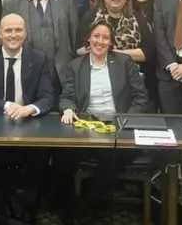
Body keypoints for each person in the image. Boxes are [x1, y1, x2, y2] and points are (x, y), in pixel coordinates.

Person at [57, 21, 148, 224]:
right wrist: (69, 108)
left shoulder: (124, 62)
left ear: (111, 42)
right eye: (96, 36)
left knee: (111, 157)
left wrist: (124, 121)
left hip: (119, 127)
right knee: (61, 155)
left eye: (105, 37)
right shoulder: (76, 65)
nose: (100, 41)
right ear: (89, 39)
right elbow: (67, 95)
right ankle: (67, 206)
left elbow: (141, 98)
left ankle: (83, 206)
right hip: (86, 126)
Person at [0, 14, 54, 222]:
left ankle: (28, 208)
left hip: (29, 128)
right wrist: (5, 105)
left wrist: (29, 109)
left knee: (41, 155)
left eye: (18, 30)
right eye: (8, 31)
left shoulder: (38, 59)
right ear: (0, 34)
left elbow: (49, 97)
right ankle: (1, 206)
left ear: (25, 34)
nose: (13, 35)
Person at [77, 0, 156, 110]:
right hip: (96, 81)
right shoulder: (91, 16)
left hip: (131, 84)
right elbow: (78, 49)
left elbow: (148, 53)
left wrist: (114, 52)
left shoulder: (137, 18)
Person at [2, 0, 78, 96]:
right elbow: (4, 40)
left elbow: (74, 37)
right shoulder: (12, 4)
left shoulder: (66, 0)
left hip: (60, 75)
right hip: (26, 73)